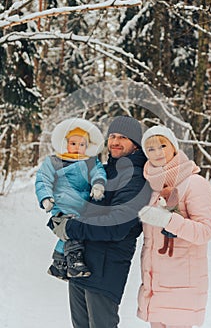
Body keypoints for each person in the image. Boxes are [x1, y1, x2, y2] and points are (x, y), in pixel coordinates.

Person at [50, 116, 152, 328]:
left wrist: (70, 228)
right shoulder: (104, 170)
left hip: (106, 269)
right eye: (112, 136)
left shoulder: (136, 177)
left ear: (135, 144)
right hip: (80, 264)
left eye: (123, 137)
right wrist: (59, 215)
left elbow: (117, 225)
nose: (115, 141)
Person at [137, 125, 211, 328]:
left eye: (162, 145)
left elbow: (205, 231)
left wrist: (167, 220)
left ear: (173, 146)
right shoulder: (152, 188)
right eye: (151, 149)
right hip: (156, 287)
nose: (158, 153)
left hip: (183, 288)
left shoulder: (194, 183)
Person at [35, 118, 107, 280]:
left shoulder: (90, 161)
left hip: (83, 205)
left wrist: (98, 185)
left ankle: (58, 264)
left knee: (72, 230)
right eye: (73, 143)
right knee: (73, 230)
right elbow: (43, 179)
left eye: (82, 145)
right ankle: (75, 262)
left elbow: (99, 172)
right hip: (62, 203)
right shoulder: (53, 161)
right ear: (65, 143)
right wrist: (46, 198)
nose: (77, 148)